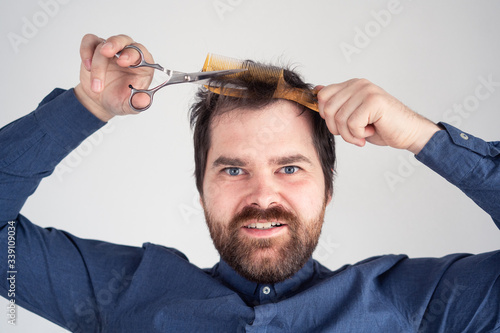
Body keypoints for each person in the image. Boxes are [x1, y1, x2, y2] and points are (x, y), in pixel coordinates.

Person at [0, 33, 499, 332]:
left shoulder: (412, 304)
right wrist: (84, 108)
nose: (262, 196)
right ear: (202, 187)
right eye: (234, 169)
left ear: (328, 186)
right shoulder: (121, 293)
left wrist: (421, 135)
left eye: (289, 168)